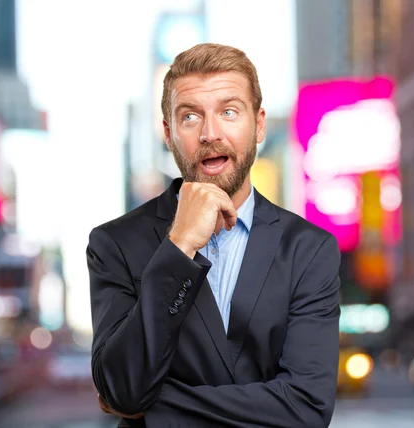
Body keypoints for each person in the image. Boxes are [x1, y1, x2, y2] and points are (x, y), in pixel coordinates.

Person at [88, 43, 341, 427]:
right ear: (169, 134)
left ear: (258, 125)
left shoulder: (309, 249)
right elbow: (122, 389)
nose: (210, 133)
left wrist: (156, 408)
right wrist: (179, 245)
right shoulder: (115, 244)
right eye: (190, 117)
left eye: (228, 111)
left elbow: (306, 408)